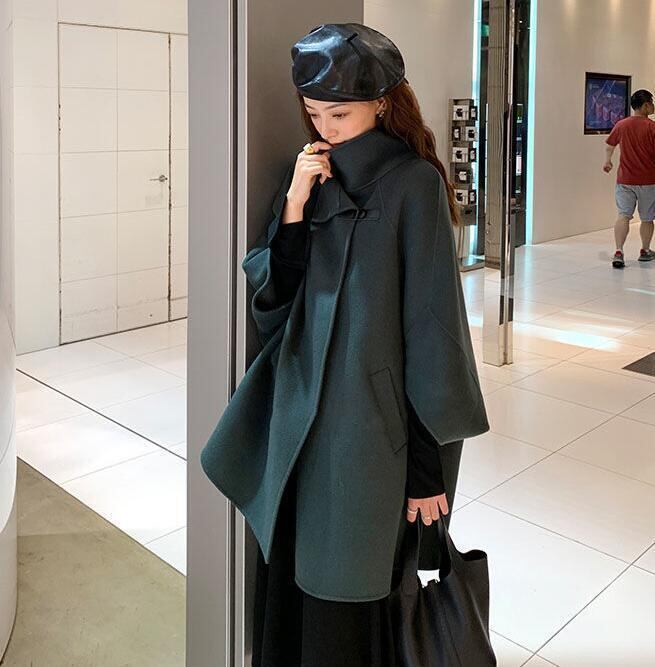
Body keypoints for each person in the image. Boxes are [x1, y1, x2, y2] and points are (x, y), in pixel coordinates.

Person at [200, 23, 489, 666]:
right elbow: (276, 305)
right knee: (294, 569)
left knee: (352, 580)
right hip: (299, 419)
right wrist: (295, 205)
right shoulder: (311, 175)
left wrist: (426, 469)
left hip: (370, 432)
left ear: (380, 103)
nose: (325, 127)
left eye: (340, 113)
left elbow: (434, 331)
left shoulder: (414, 185)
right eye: (313, 113)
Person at [604, 88, 655, 268]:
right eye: (651, 103)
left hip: (625, 180)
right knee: (647, 218)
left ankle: (619, 251)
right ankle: (645, 250)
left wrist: (608, 161)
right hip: (649, 180)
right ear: (646, 105)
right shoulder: (652, 127)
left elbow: (610, 145)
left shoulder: (621, 125)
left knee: (623, 215)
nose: (653, 106)